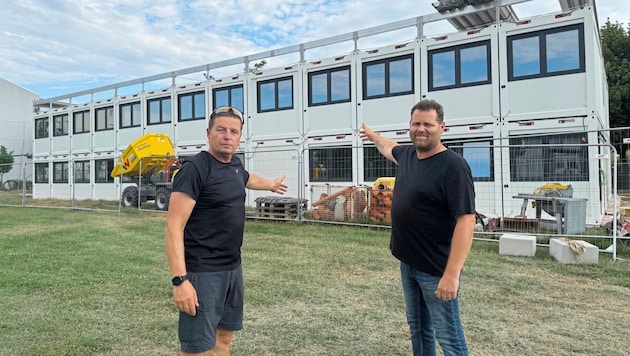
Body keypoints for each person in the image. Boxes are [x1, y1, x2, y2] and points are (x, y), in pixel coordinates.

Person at [165, 106, 288, 356]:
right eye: (221, 130)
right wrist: (180, 281)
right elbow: (173, 227)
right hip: (203, 272)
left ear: (240, 136)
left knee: (224, 339)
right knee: (197, 349)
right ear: (208, 132)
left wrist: (271, 185)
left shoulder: (234, 166)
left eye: (234, 131)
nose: (227, 136)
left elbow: (246, 178)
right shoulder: (195, 170)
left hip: (233, 268)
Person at [360, 99, 476, 356]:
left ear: (442, 127)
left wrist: (452, 275)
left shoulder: (453, 167)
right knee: (419, 329)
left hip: (436, 270)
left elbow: (466, 221)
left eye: (428, 124)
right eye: (416, 124)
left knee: (449, 338)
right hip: (409, 263)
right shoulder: (409, 155)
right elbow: (388, 146)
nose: (421, 129)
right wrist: (371, 135)